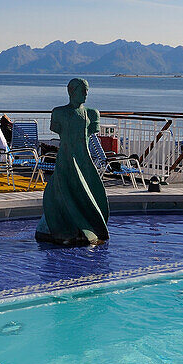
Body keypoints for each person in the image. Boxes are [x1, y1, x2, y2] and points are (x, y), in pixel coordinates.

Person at [35, 78, 109, 245]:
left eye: (87, 90)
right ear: (71, 92)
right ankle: (60, 223)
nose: (86, 94)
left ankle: (89, 224)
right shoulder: (59, 113)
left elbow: (91, 132)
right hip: (66, 159)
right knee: (61, 190)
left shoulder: (92, 113)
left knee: (87, 191)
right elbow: (58, 128)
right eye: (82, 90)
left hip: (84, 160)